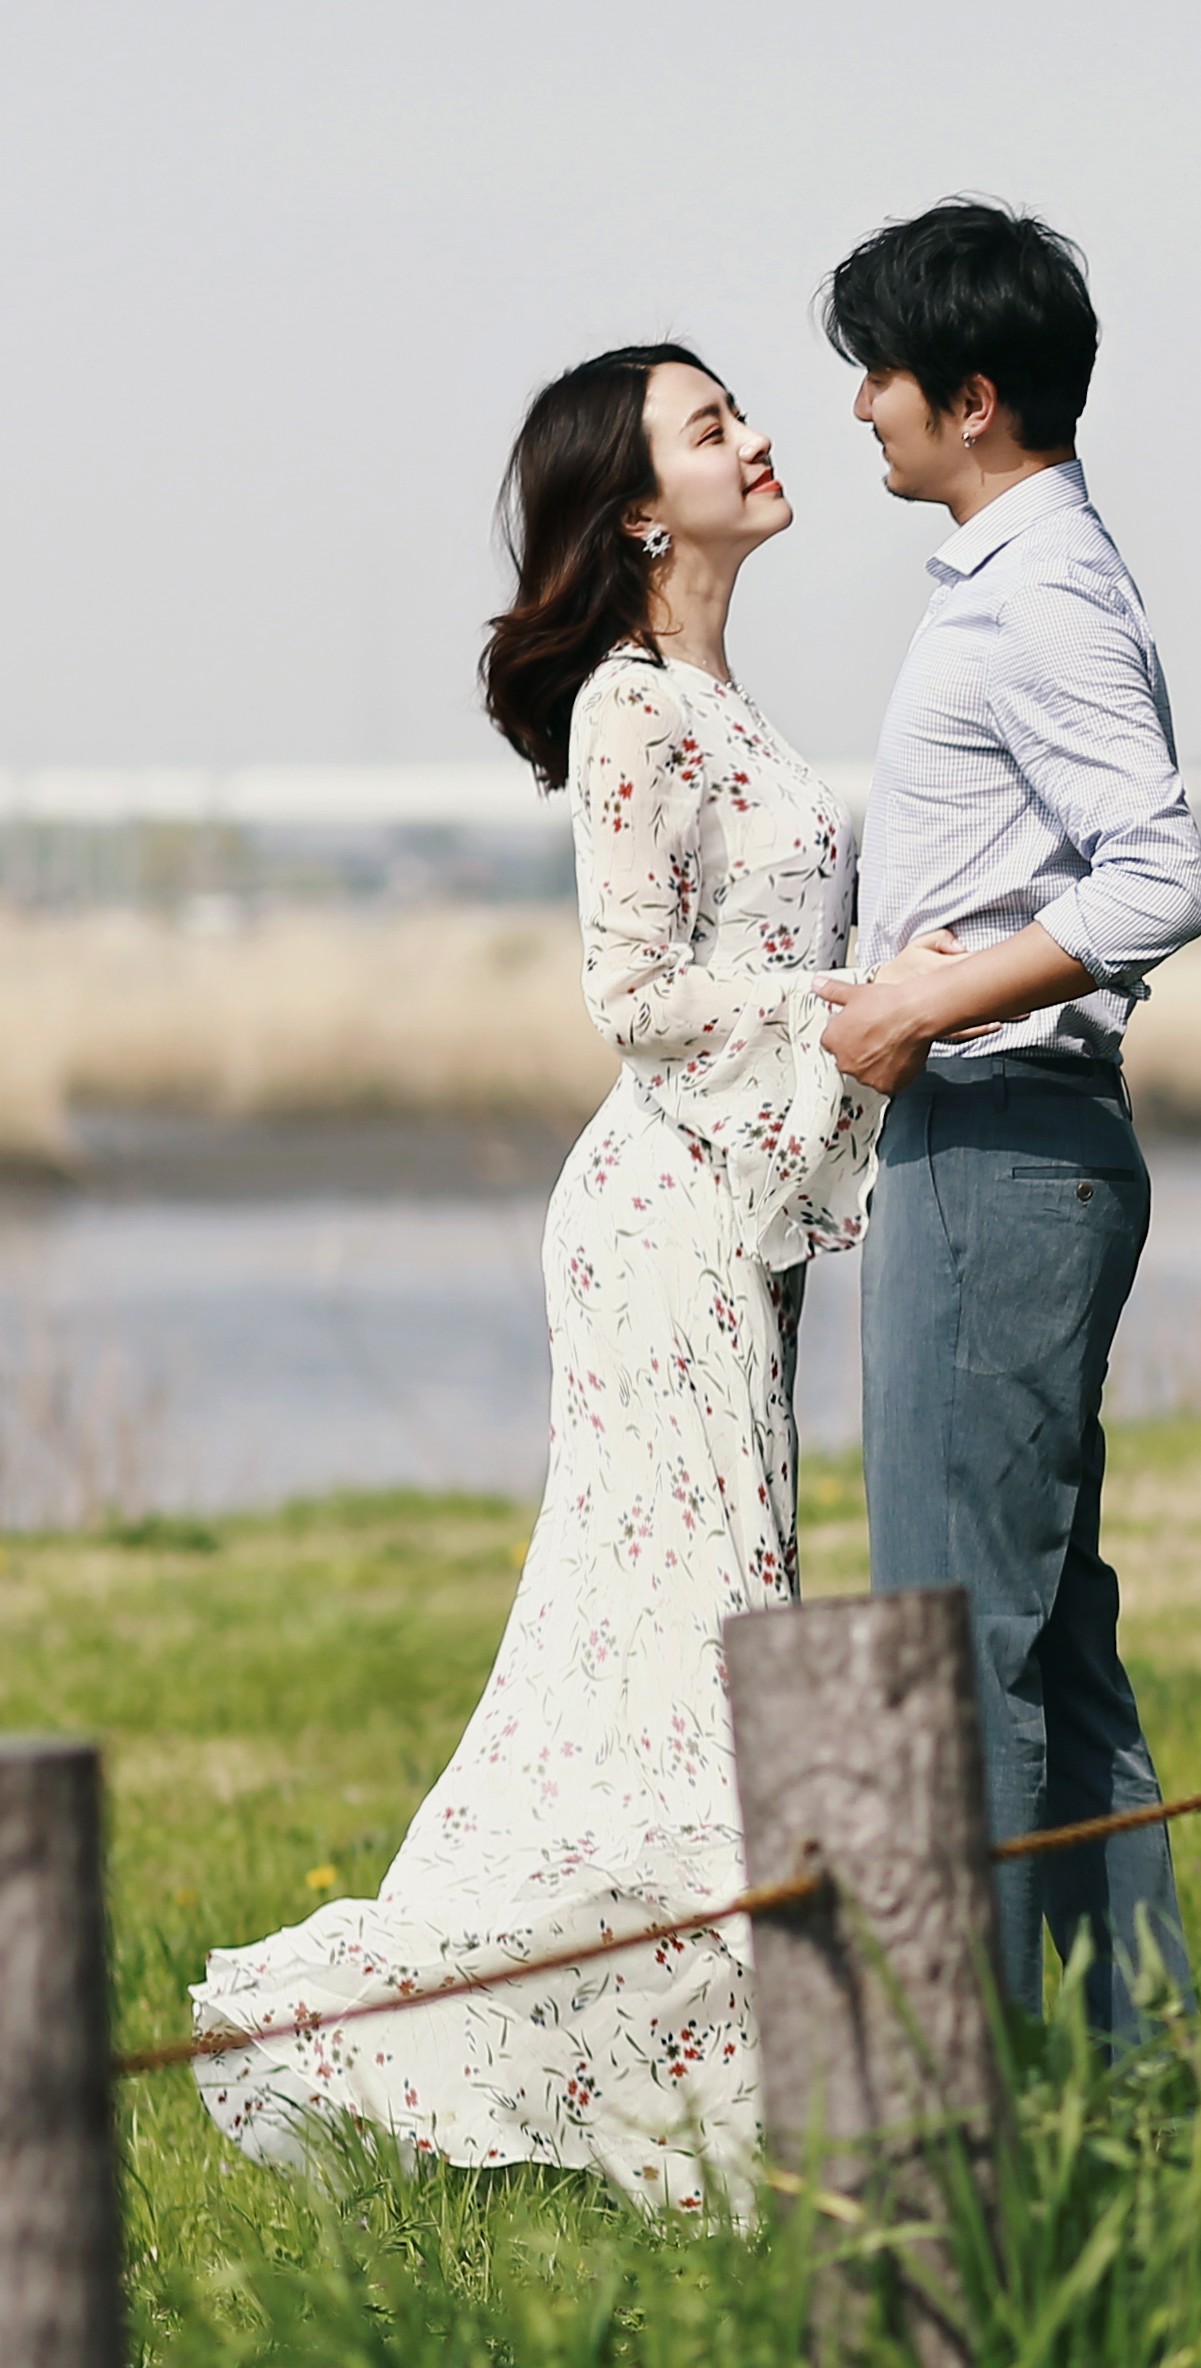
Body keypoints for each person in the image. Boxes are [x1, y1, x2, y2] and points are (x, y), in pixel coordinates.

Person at [187, 347, 881, 2205]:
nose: (756, 436)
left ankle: (697, 2069)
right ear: (641, 508)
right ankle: (700, 2100)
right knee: (690, 1640)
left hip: (732, 1216)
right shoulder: (628, 712)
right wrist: (852, 1012)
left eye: (744, 410)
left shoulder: (726, 700)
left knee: (694, 1633)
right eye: (710, 424)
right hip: (660, 1227)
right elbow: (633, 997)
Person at [806, 200, 1201, 2040]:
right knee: (1046, 1637)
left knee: (954, 1651)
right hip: (1014, 1144)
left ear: (971, 398)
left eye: (879, 374)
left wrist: (920, 998)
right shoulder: (1022, 576)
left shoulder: (1040, 592)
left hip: (1002, 1141)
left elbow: (1162, 876)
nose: (861, 410)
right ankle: (1136, 2081)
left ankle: (961, 2128)